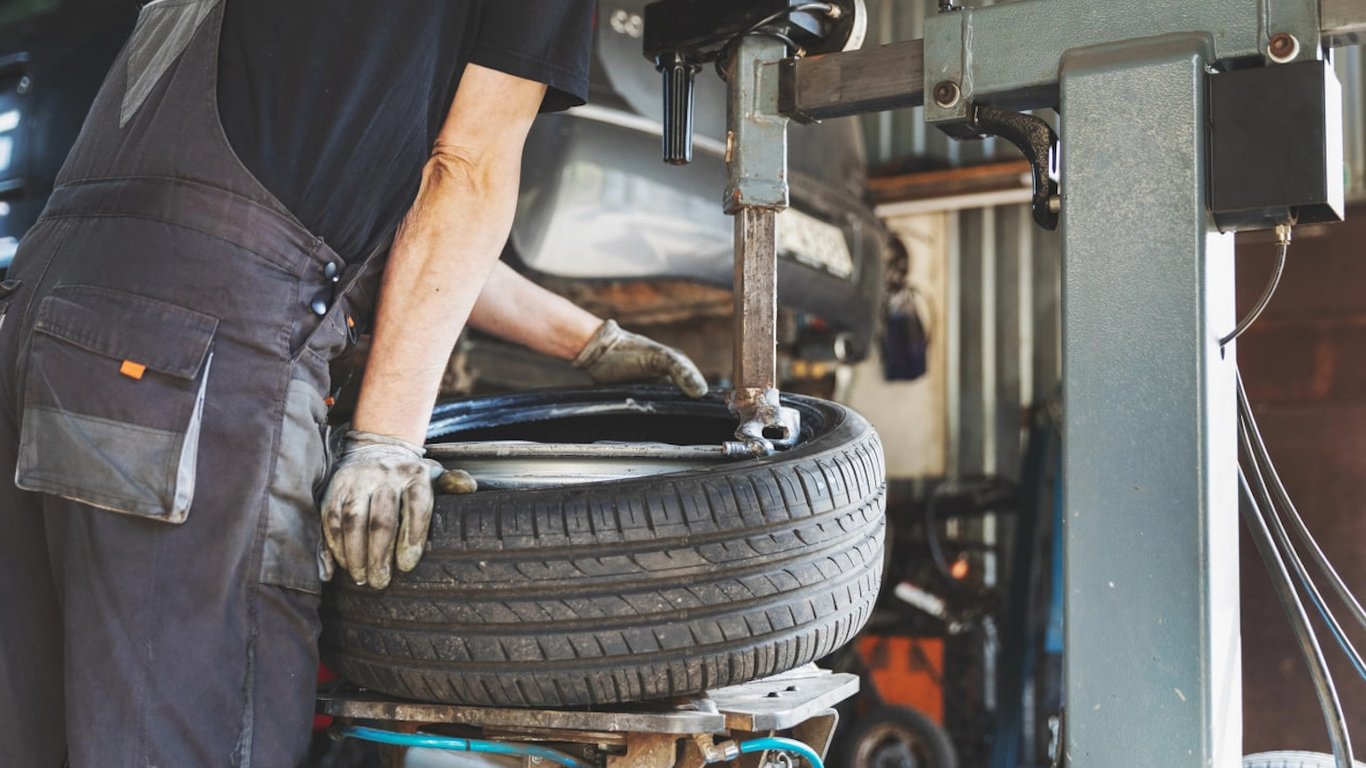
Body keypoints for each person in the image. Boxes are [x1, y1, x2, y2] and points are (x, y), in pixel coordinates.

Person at [0, 1, 707, 765]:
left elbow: (330, 212)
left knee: (44, 727)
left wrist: (587, 340)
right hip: (196, 355)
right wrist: (386, 443)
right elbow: (462, 175)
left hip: (50, 322)